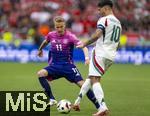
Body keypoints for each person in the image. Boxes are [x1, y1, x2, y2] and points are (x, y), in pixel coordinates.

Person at [37, 16, 100, 110]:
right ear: (55, 26)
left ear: (64, 26)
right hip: (55, 66)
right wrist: (40, 49)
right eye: (57, 27)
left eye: (61, 27)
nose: (59, 29)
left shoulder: (70, 36)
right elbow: (46, 41)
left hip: (68, 67)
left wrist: (87, 58)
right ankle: (52, 99)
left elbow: (84, 46)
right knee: (40, 74)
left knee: (83, 86)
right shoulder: (51, 35)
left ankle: (99, 107)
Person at [73, 0, 122, 116]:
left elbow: (97, 34)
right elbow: (114, 41)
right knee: (91, 77)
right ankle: (77, 101)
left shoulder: (104, 20)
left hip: (100, 53)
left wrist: (85, 43)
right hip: (111, 55)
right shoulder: (118, 23)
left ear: (105, 8)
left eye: (99, 9)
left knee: (95, 79)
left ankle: (102, 107)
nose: (98, 12)